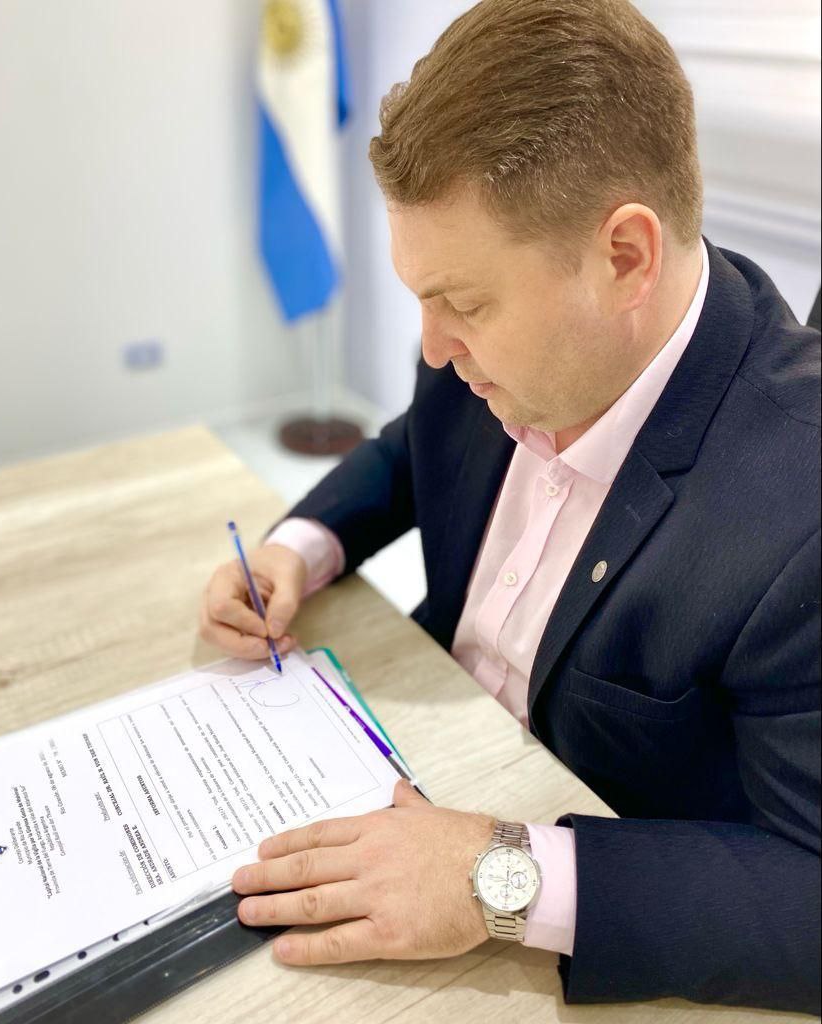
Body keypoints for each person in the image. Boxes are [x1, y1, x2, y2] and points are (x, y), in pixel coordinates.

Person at [199, 0, 821, 1012]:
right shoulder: (488, 345)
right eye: (422, 299)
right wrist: (301, 548)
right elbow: (413, 450)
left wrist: (504, 877)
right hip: (411, 757)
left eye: (464, 305)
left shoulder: (800, 506)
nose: (434, 346)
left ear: (626, 257)